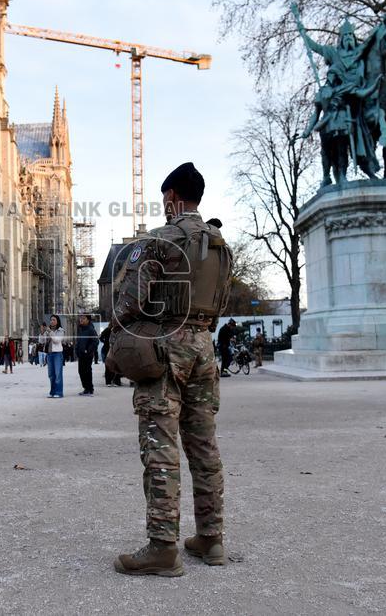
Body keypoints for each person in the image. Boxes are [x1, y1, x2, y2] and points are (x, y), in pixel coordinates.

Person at [111, 161, 233, 577]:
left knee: (160, 448)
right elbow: (220, 300)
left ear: (172, 199)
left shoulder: (161, 240)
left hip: (165, 347)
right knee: (203, 446)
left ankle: (163, 546)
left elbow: (128, 301)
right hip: (203, 346)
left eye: (165, 200)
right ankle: (211, 538)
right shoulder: (220, 244)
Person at [75, 315, 99, 396]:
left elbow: (95, 341)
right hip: (81, 354)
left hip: (87, 354)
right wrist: (77, 350)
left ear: (88, 320)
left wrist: (88, 350)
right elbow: (78, 341)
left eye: (83, 318)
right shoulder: (80, 329)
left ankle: (90, 389)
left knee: (87, 371)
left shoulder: (91, 329)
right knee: (81, 371)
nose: (81, 320)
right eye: (80, 318)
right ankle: (85, 388)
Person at [44, 315, 66, 398]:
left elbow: (57, 340)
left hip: (57, 354)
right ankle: (52, 392)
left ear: (57, 321)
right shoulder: (48, 331)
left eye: (54, 320)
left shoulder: (61, 330)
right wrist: (43, 333)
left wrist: (50, 332)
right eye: (51, 320)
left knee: (58, 374)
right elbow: (42, 341)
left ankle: (59, 392)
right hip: (49, 354)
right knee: (51, 374)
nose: (52, 321)